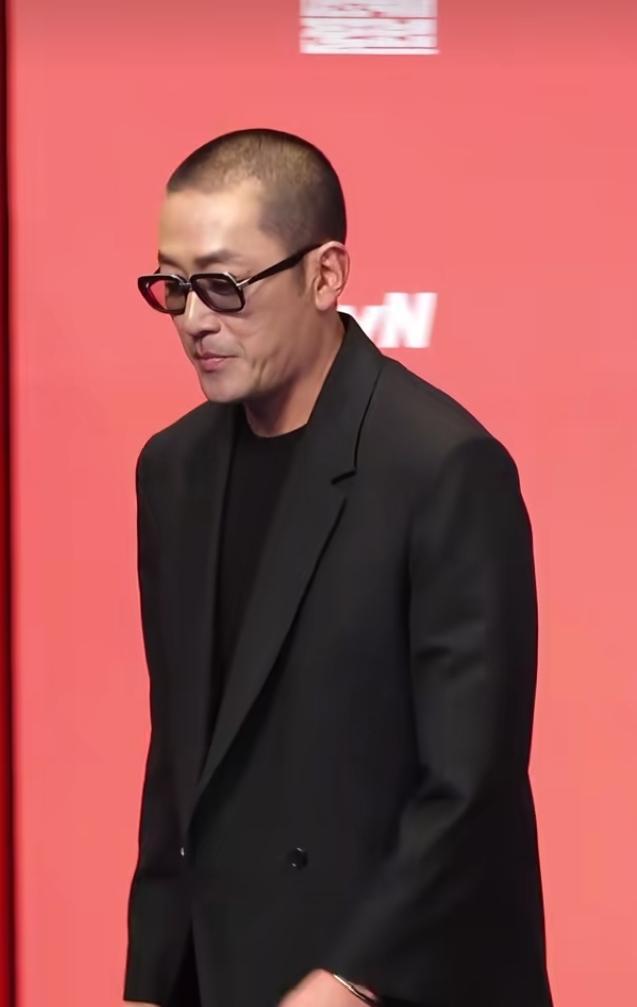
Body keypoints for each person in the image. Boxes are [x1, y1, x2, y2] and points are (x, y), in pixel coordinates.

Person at [123, 128, 553, 1007]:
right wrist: (149, 977)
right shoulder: (173, 469)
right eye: (172, 287)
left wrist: (353, 978)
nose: (195, 318)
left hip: (401, 975)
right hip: (230, 967)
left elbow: (470, 786)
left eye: (223, 285)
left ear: (325, 275)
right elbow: (180, 760)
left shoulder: (441, 466)